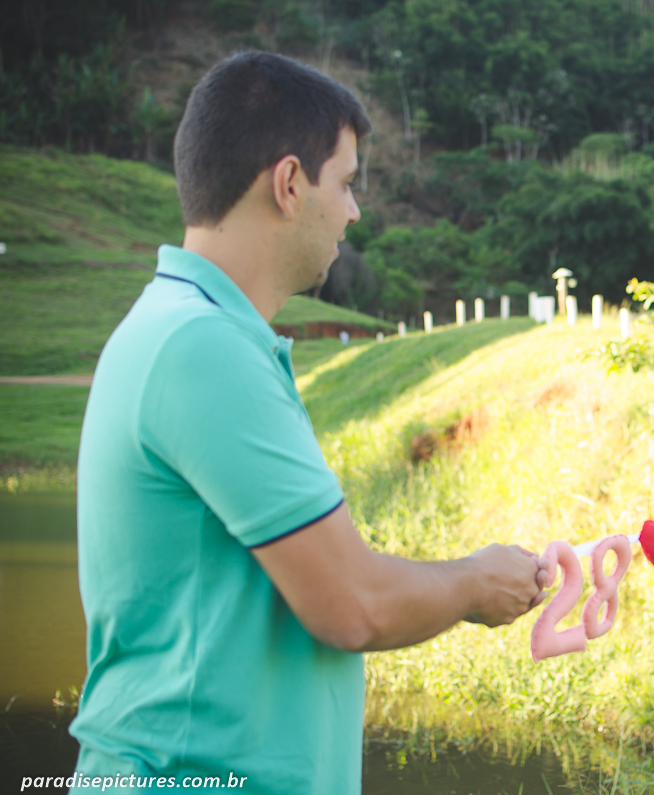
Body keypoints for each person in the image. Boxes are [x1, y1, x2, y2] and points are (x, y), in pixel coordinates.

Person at [70, 52, 548, 794]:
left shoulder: (193, 329)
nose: (354, 211)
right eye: (348, 182)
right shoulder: (204, 348)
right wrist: (474, 582)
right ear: (290, 184)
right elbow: (351, 604)